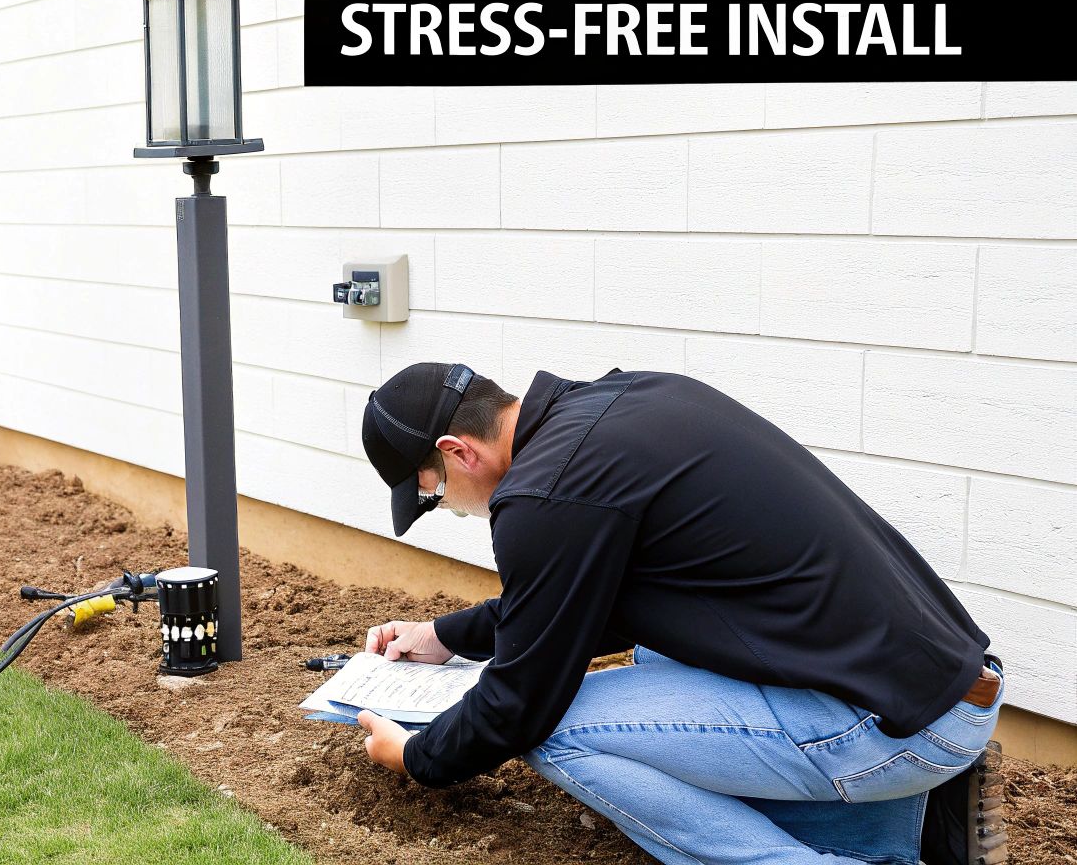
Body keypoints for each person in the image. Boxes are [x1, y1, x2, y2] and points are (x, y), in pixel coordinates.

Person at [356, 363, 1003, 865]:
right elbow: (578, 607)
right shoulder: (618, 407)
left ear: (457, 451)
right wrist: (445, 636)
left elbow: (518, 703)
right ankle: (895, 836)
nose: (455, 509)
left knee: (544, 726)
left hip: (895, 728)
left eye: (436, 496)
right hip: (941, 685)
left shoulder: (542, 498)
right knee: (654, 654)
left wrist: (416, 755)